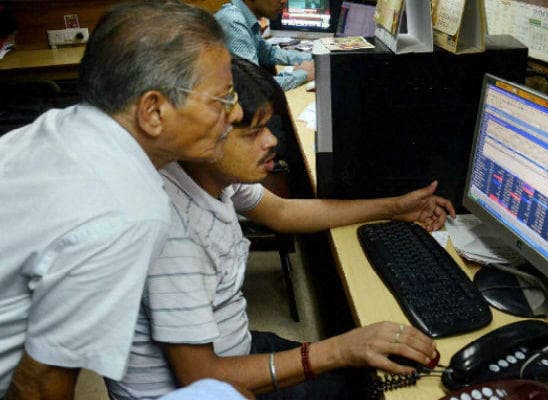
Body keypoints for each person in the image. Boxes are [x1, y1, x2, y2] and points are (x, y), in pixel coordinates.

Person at [107, 58, 456, 399]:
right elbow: (201, 380)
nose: (271, 141)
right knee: (370, 382)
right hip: (202, 386)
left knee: (365, 374)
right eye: (253, 132)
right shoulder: (173, 233)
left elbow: (283, 212)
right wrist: (339, 349)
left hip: (233, 350)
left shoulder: (208, 172)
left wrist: (394, 208)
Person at [0, 1, 243, 398]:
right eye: (223, 98)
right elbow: (39, 386)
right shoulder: (127, 211)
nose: (236, 113)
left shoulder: (66, 126)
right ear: (153, 110)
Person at [216, 0, 315, 91]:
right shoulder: (233, 22)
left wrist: (316, 58)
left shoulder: (243, 17)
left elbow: (269, 53)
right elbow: (254, 85)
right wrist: (303, 74)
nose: (284, 1)